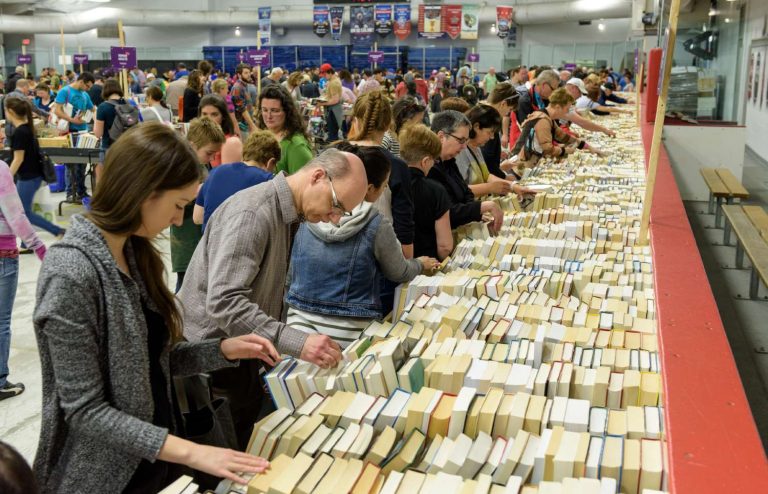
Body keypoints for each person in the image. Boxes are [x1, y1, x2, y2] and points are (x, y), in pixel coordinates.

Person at [32, 123, 277, 492]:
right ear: (144, 191)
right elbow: (84, 411)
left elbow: (150, 363)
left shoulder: (134, 253)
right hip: (105, 477)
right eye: (178, 205)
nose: (178, 220)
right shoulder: (71, 273)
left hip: (154, 458)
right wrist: (192, 453)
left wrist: (223, 350)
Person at [178, 148, 368, 447]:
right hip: (213, 363)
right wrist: (296, 342)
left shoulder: (287, 215)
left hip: (240, 356)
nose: (334, 220)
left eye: (342, 213)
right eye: (336, 205)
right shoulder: (253, 213)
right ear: (318, 176)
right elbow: (225, 303)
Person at [286, 144, 439, 348]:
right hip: (352, 332)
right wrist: (420, 264)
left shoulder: (307, 212)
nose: (386, 190)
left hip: (298, 327)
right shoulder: (375, 222)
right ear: (369, 188)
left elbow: (290, 275)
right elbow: (398, 271)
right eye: (384, 185)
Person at [0, 150, 47, 402]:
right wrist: (38, 247)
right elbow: (15, 215)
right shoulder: (0, 170)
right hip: (3, 253)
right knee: (1, 321)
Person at [346, 90, 414, 260]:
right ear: (388, 124)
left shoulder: (333, 154)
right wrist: (407, 263)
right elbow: (403, 224)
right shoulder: (396, 166)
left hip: (333, 251)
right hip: (380, 256)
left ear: (355, 120)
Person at [171, 117, 225, 292]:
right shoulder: (181, 166)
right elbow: (173, 199)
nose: (212, 158)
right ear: (193, 145)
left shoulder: (202, 165)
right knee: (184, 291)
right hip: (186, 243)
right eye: (209, 153)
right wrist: (202, 190)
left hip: (198, 241)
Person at [428, 110, 503, 232]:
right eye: (461, 140)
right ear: (441, 137)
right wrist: (480, 208)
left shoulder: (449, 161)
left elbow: (466, 193)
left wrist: (477, 214)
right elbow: (446, 212)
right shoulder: (429, 168)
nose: (464, 147)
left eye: (466, 141)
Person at [194, 130, 280, 231]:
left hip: (209, 239)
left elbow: (197, 217)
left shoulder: (215, 172)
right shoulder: (269, 180)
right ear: (271, 162)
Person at [5, 97, 65, 240]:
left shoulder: (20, 132)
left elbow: (18, 159)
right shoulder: (27, 128)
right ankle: (27, 242)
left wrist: (6, 177)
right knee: (23, 212)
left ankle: (57, 231)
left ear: (11, 112)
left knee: (24, 213)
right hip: (32, 175)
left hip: (28, 177)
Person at [512, 88, 601, 170]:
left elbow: (563, 136)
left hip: (526, 162)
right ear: (558, 107)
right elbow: (547, 148)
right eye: (567, 109)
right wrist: (565, 151)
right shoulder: (543, 120)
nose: (567, 112)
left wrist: (588, 147)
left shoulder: (547, 117)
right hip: (520, 164)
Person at [400, 124, 453, 261]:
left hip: (397, 264)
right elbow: (445, 246)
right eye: (434, 160)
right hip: (428, 263)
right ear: (425, 161)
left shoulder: (390, 184)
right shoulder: (436, 190)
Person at [459, 104, 532, 197]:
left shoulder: (476, 148)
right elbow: (459, 190)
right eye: (489, 132)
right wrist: (489, 187)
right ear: (476, 127)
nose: (492, 137)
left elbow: (487, 176)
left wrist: (513, 186)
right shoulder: (460, 151)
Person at [54, 71, 95, 201]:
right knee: (71, 164)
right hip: (69, 131)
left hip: (83, 131)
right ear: (81, 81)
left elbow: (92, 109)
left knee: (82, 164)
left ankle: (81, 191)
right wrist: (72, 120)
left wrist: (88, 116)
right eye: (87, 86)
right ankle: (71, 193)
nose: (88, 89)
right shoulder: (65, 91)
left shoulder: (85, 94)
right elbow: (57, 110)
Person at [257, 85, 313, 175]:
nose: (269, 116)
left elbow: (304, 181)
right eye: (265, 110)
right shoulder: (263, 136)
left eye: (275, 110)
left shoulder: (296, 146)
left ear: (287, 112)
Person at [480, 81, 520, 179]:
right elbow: (487, 162)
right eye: (509, 109)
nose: (507, 114)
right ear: (503, 104)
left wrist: (497, 155)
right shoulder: (489, 121)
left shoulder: (484, 114)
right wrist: (505, 177)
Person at [198, 94, 243, 168]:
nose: (208, 119)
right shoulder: (201, 138)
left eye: (214, 114)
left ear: (223, 116)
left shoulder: (230, 142)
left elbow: (227, 174)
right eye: (204, 114)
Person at [93, 78, 131, 163]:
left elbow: (98, 134)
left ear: (105, 90)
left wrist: (95, 118)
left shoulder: (103, 107)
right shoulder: (129, 103)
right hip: (127, 146)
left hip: (109, 148)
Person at [231, 63, 258, 138]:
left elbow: (248, 104)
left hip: (247, 124)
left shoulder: (244, 85)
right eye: (246, 73)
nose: (249, 75)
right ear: (239, 75)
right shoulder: (237, 88)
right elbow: (241, 108)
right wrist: (252, 125)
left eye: (249, 72)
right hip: (242, 126)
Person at [317, 67, 344, 142]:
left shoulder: (333, 83)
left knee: (332, 133)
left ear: (330, 73)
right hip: (334, 109)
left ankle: (333, 145)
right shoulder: (334, 81)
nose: (324, 77)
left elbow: (335, 100)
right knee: (333, 131)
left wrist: (322, 103)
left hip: (333, 109)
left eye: (325, 75)